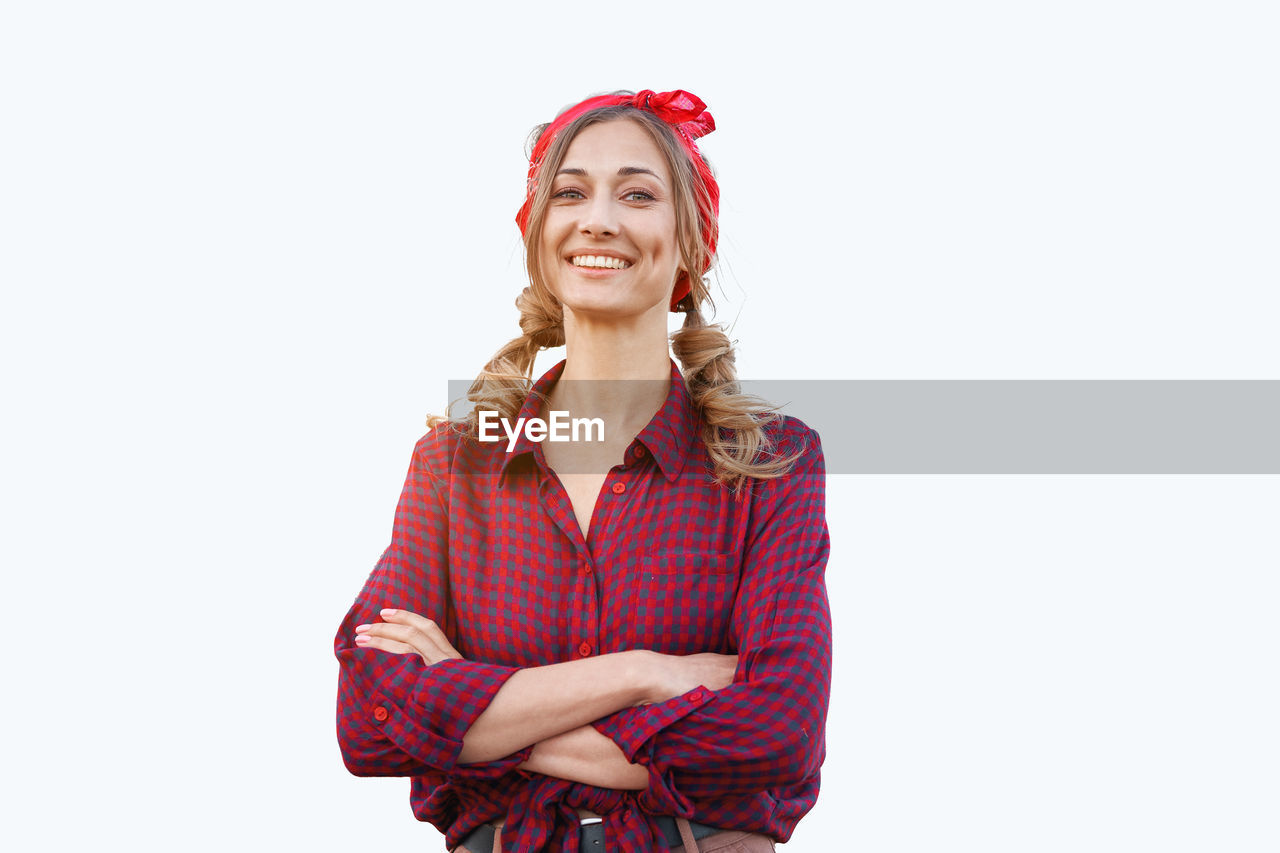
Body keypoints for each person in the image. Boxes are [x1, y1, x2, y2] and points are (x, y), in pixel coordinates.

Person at [334, 89, 832, 853]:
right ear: (539, 237)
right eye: (570, 192)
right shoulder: (453, 465)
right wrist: (641, 673)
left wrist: (469, 713)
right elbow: (370, 717)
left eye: (637, 194)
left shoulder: (768, 464)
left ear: (691, 245)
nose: (598, 218)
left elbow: (777, 732)